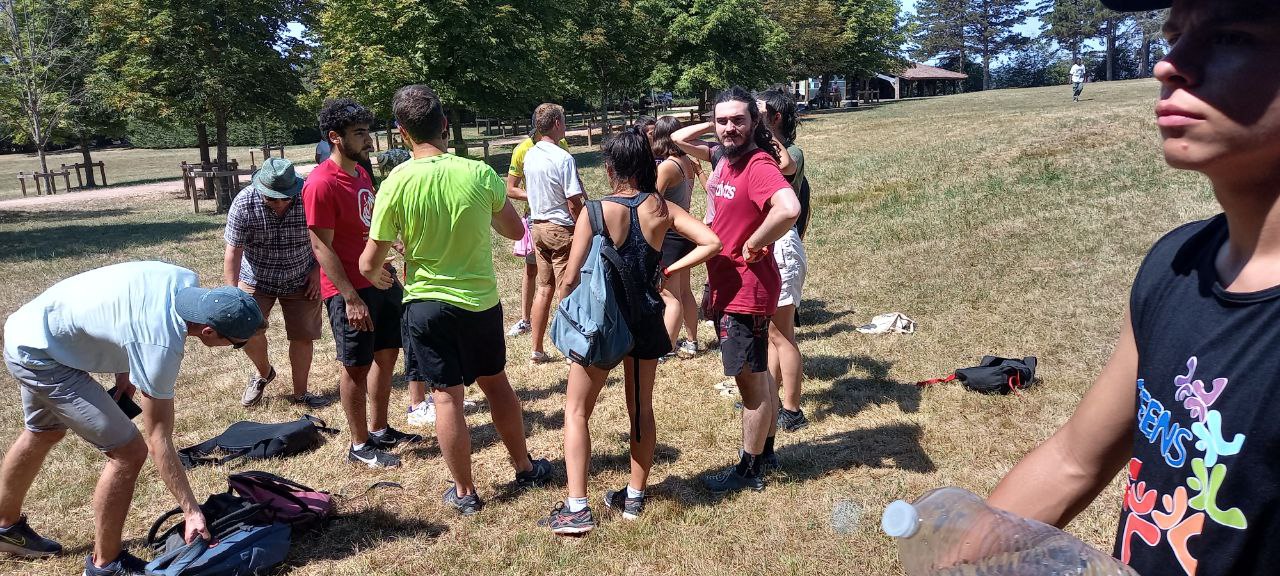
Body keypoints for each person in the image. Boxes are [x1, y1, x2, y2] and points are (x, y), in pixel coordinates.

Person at [988, 2, 1280, 575]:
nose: (1168, 64)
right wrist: (955, 551)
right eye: (1174, 36)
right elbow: (1074, 460)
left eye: (1230, 36)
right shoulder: (1178, 263)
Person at [360, 84, 553, 516]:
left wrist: (380, 272)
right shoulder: (478, 173)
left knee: (447, 398)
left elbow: (369, 261)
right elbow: (513, 230)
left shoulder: (395, 182)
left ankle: (465, 492)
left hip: (426, 305)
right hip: (480, 302)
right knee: (496, 383)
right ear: (445, 125)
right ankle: (524, 467)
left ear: (402, 132)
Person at [0, 262, 262, 575]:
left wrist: (123, 371)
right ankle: (105, 565)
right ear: (208, 332)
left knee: (44, 432)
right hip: (41, 356)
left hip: (30, 326)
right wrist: (191, 511)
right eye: (236, 344)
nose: (236, 347)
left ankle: (5, 527)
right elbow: (158, 439)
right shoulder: (161, 345)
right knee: (128, 452)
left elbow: (123, 309)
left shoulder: (180, 278)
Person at [541, 127, 720, 534]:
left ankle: (577, 507)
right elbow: (712, 242)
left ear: (610, 168)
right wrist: (668, 269)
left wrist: (564, 306)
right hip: (646, 321)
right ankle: (635, 496)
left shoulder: (595, 212)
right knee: (640, 409)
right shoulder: (661, 209)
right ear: (646, 164)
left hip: (602, 325)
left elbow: (570, 277)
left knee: (576, 411)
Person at [673, 87, 800, 493]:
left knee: (750, 384)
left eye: (738, 120)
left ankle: (749, 470)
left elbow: (789, 208)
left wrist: (755, 242)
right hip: (728, 284)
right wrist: (717, 126)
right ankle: (767, 453)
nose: (729, 127)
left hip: (748, 288)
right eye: (722, 120)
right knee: (758, 375)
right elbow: (677, 139)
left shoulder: (758, 164)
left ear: (755, 122)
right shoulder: (725, 158)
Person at [305, 98, 420, 469]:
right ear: (335, 137)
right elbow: (321, 247)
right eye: (359, 133)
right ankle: (358, 445)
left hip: (380, 280)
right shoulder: (321, 183)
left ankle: (380, 429)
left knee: (387, 353)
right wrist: (350, 297)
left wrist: (393, 244)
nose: (368, 140)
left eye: (367, 131)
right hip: (350, 291)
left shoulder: (361, 174)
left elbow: (367, 226)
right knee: (355, 366)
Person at [224, 157, 328, 409]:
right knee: (245, 330)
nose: (279, 203)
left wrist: (317, 271)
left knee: (303, 336)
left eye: (285, 198)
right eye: (272, 198)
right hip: (256, 278)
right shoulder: (244, 203)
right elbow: (233, 252)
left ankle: (301, 394)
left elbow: (327, 239)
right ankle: (263, 373)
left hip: (302, 276)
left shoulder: (309, 198)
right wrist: (232, 294)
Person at [760, 89, 810, 432]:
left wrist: (762, 128)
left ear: (774, 118)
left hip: (782, 247)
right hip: (767, 246)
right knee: (769, 333)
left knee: (782, 334)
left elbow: (784, 166)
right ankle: (769, 396)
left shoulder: (791, 151)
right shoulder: (760, 147)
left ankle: (792, 410)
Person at [524, 103, 586, 364]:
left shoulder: (530, 155)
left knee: (544, 288)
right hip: (561, 229)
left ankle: (536, 349)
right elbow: (573, 201)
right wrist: (585, 224)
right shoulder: (563, 158)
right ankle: (571, 349)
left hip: (538, 227)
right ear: (557, 123)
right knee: (567, 288)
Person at [504, 123, 572, 339]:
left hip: (555, 221)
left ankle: (554, 333)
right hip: (537, 219)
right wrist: (537, 194)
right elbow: (511, 189)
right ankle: (526, 320)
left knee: (556, 281)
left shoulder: (561, 145)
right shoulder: (522, 150)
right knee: (533, 271)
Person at [652, 116, 704, 358]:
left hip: (670, 236)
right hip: (685, 233)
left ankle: (665, 348)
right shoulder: (687, 162)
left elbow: (652, 202)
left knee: (669, 295)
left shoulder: (667, 166)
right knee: (684, 292)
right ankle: (691, 341)